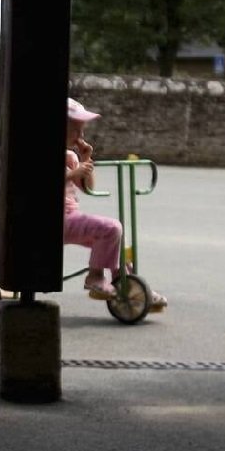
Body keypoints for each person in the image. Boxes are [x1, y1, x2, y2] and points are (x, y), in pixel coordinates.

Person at [65, 98, 167, 309]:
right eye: (76, 129)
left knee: (116, 235)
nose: (80, 136)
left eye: (82, 130)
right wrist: (75, 172)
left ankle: (126, 281)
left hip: (70, 216)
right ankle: (95, 276)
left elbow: (86, 187)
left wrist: (85, 160)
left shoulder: (70, 156)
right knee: (111, 228)